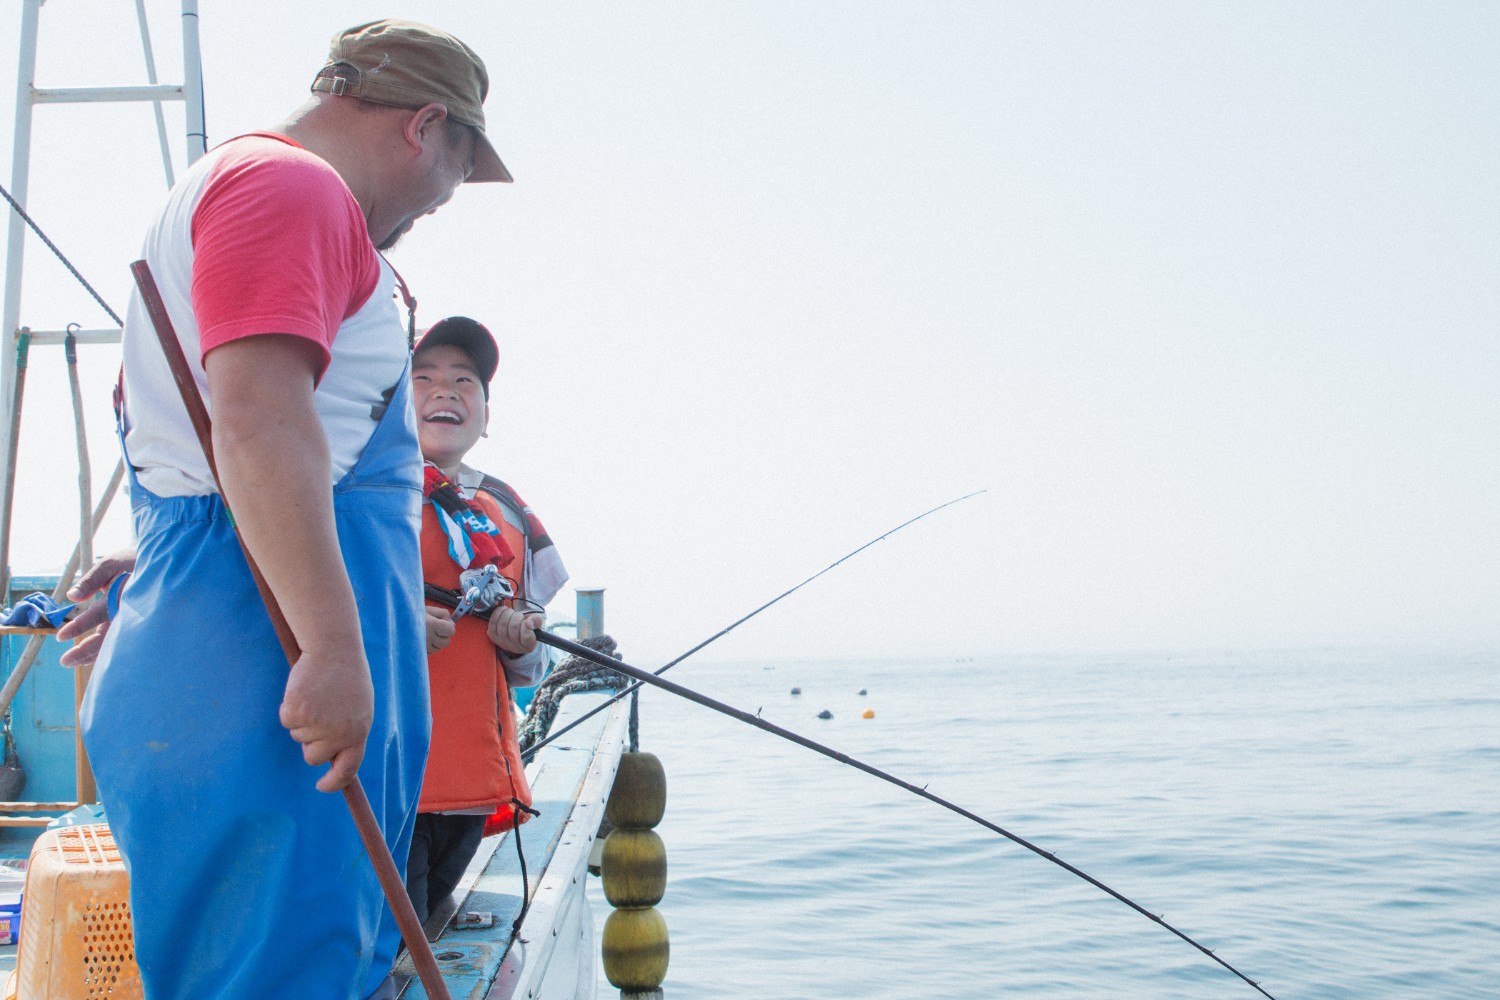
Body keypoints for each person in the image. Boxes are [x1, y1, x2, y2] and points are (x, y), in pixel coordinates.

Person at [75, 20, 512, 1000]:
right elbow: (262, 420)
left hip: (229, 633)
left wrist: (165, 580)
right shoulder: (293, 188)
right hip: (264, 682)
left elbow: (202, 461)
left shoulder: (252, 192)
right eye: (458, 167)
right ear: (425, 126)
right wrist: (331, 646)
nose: (443, 200)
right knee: (280, 969)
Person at [405, 316, 568, 924]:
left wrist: (519, 639)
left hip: (471, 775)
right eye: (422, 378)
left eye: (464, 381)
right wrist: (395, 629)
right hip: (386, 774)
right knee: (396, 937)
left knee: (435, 917)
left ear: (486, 414)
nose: (444, 391)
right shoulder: (351, 495)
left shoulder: (508, 511)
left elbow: (531, 666)